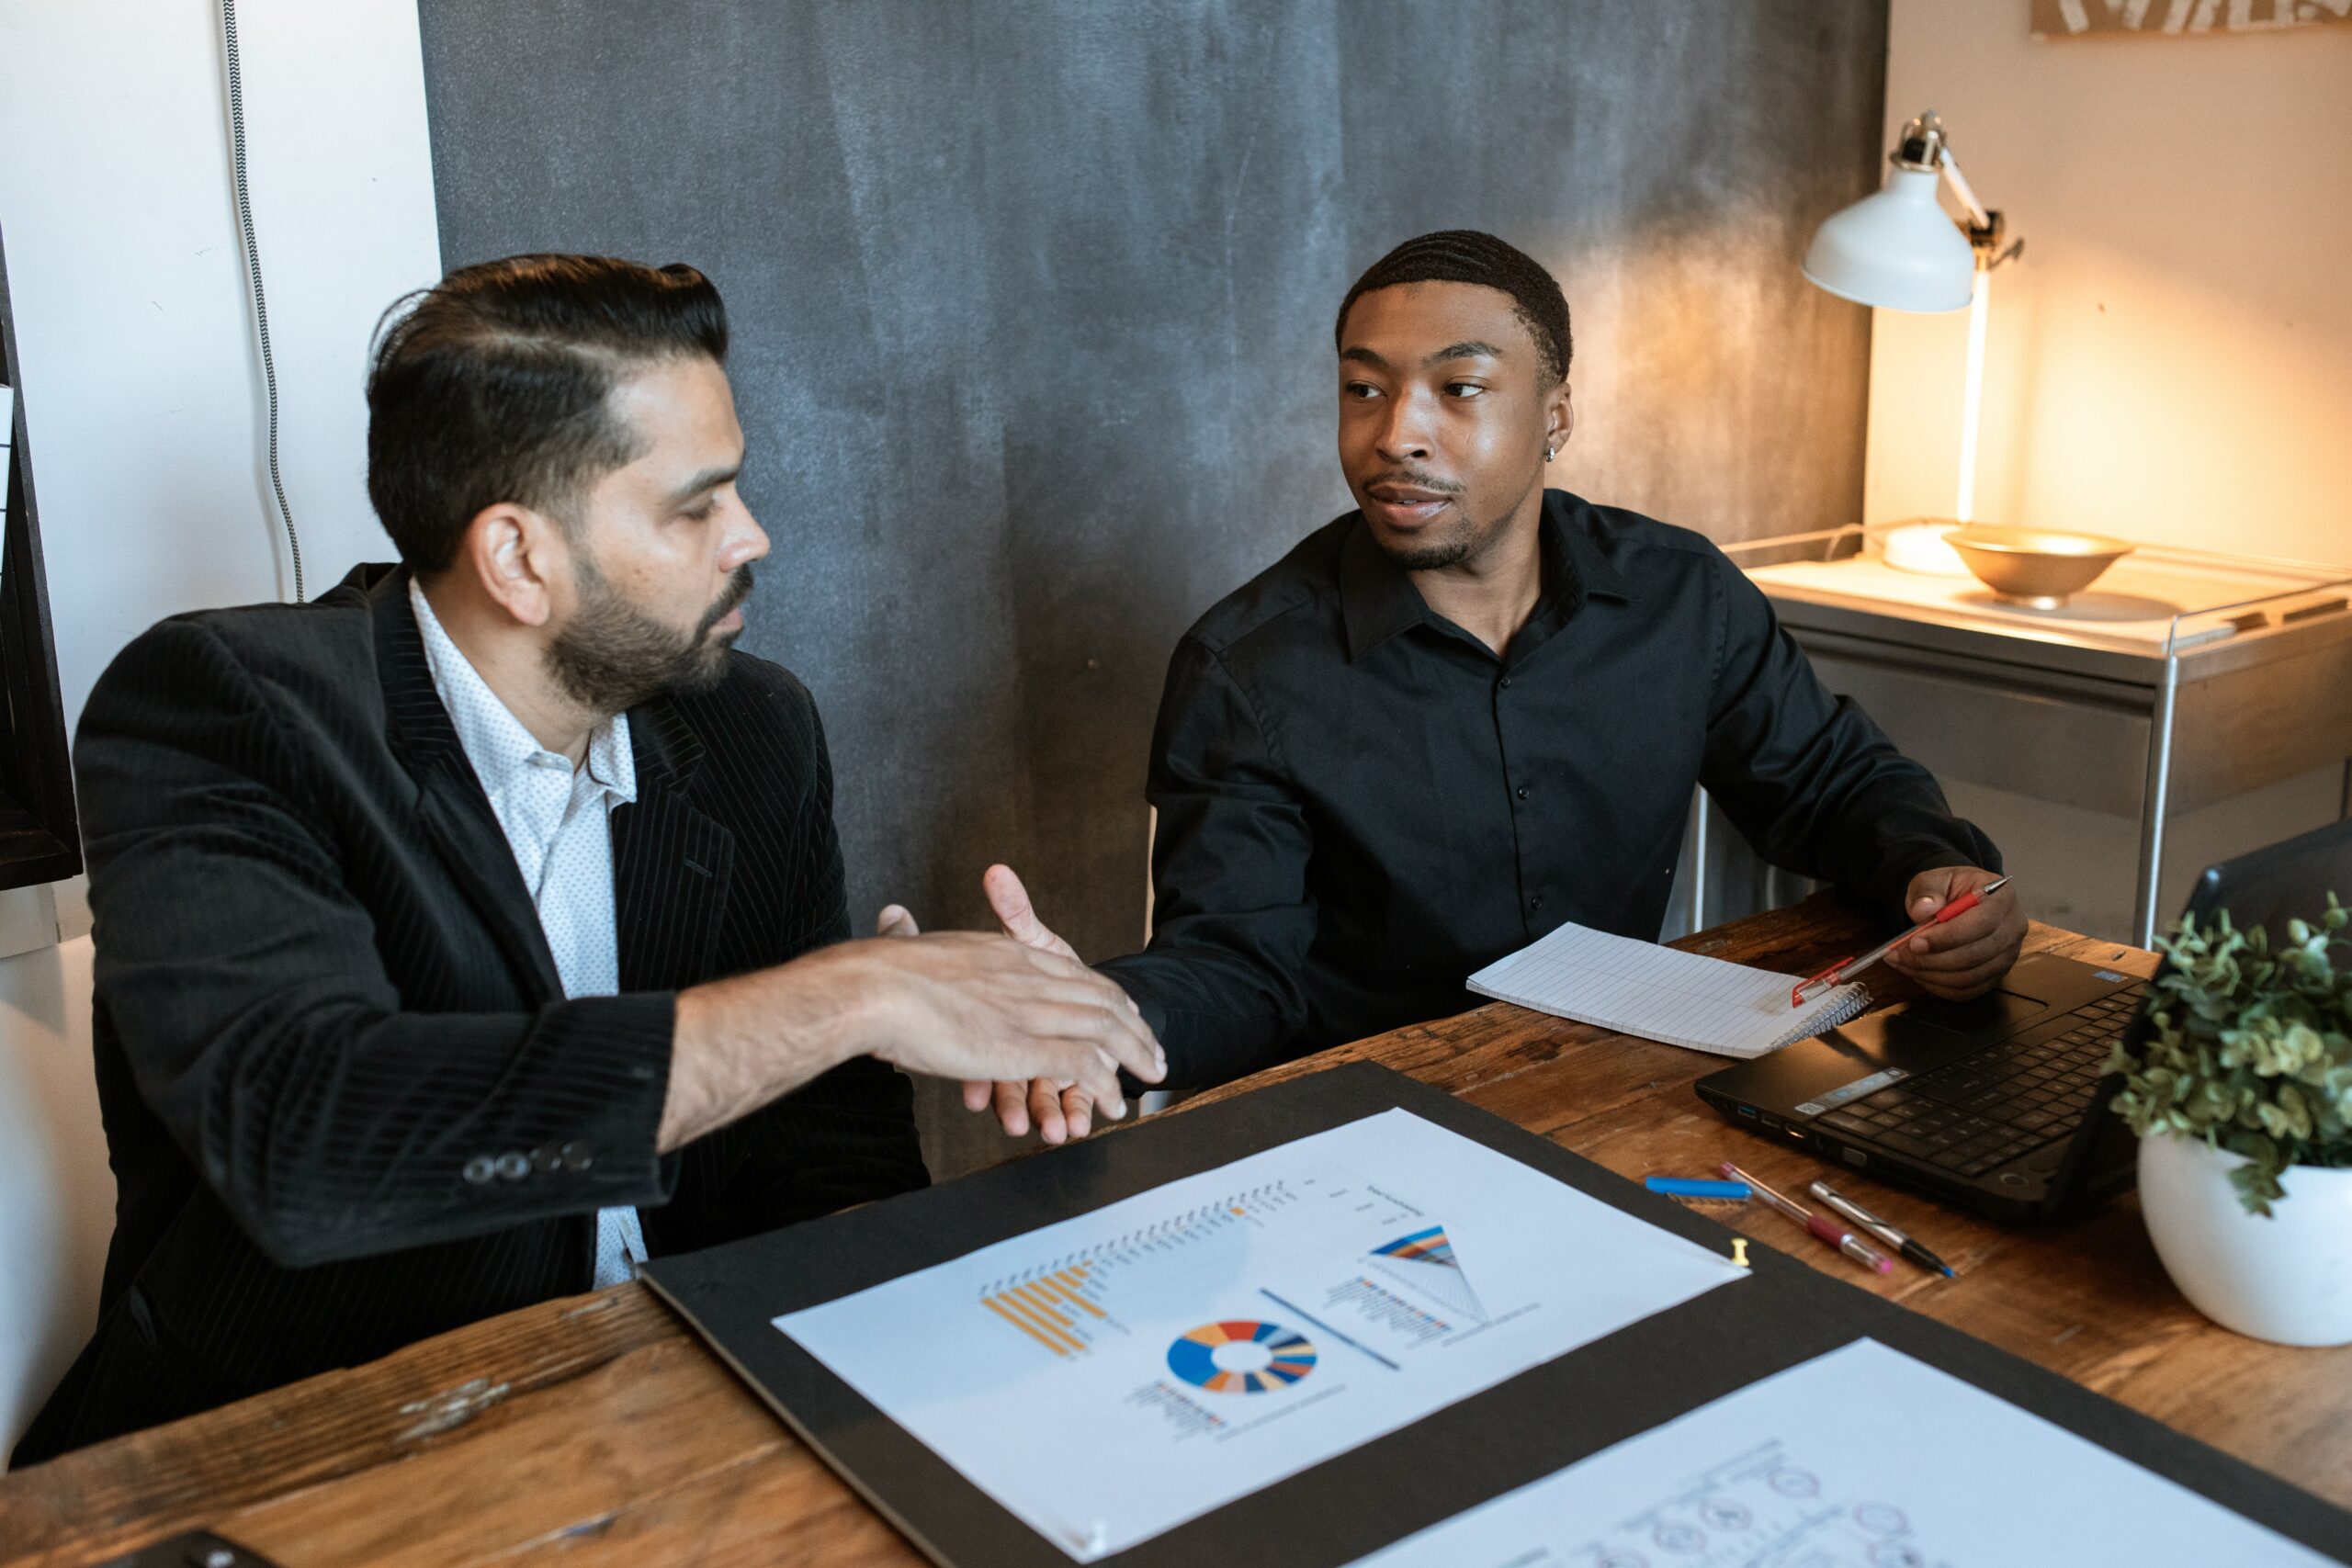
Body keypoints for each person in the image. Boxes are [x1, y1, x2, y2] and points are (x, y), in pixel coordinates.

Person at [13, 254, 1160, 1464]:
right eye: (694, 504)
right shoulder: (228, 712)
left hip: (684, 1414)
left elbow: (819, 1138)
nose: (752, 534)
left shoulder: (749, 724)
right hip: (313, 1455)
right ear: (516, 557)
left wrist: (897, 1337)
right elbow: (314, 1134)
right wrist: (859, 991)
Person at [968, 229, 2021, 1128]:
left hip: (1620, 1097)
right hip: (1362, 1129)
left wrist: (1937, 875)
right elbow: (1239, 962)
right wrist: (1105, 1014)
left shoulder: (1678, 596)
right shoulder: (1247, 665)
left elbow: (1831, 787)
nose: (1396, 434)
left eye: (1458, 389)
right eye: (1363, 389)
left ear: (1556, 416)